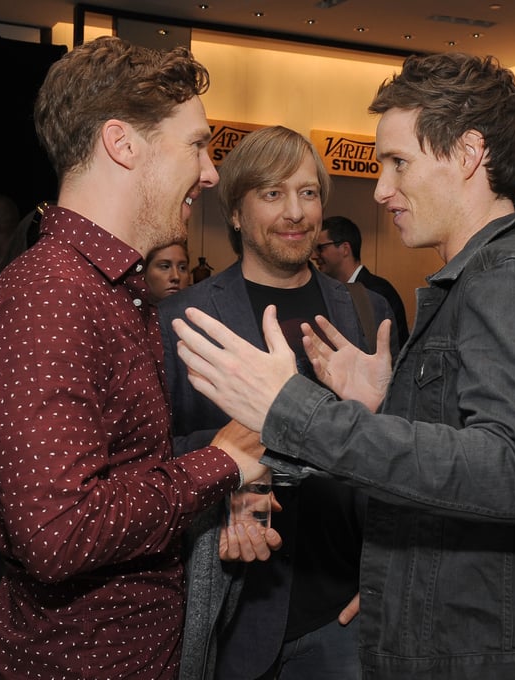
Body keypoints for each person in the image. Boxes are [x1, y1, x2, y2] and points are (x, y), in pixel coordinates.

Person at [169, 52, 515, 679]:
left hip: (496, 650)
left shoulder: (508, 279)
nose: (381, 189)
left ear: (468, 154)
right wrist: (388, 404)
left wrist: (292, 409)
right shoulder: (490, 279)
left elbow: (510, 471)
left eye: (398, 162)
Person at [0, 36, 267, 679]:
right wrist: (220, 465)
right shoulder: (52, 295)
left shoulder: (104, 291)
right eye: (195, 144)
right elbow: (60, 530)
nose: (211, 171)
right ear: (122, 143)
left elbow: (113, 478)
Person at [160, 125, 397, 680]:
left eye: (308, 193)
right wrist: (230, 478)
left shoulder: (365, 312)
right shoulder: (184, 322)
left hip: (342, 614)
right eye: (272, 194)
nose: (296, 212)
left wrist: (385, 572)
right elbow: (147, 456)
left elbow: (404, 454)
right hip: (235, 609)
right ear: (236, 213)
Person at [313, 215, 410, 344]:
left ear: (345, 249)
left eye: (320, 248)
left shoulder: (377, 292)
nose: (314, 256)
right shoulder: (329, 292)